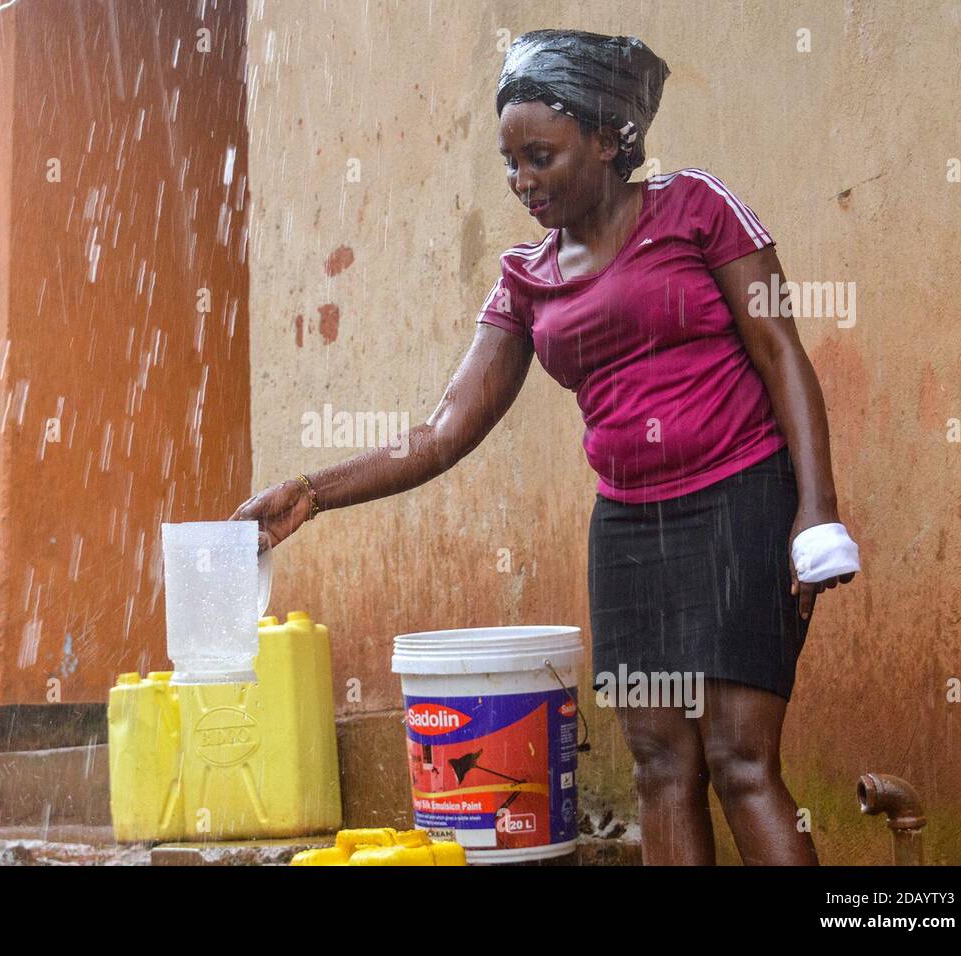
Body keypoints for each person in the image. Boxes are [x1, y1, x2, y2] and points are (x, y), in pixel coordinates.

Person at [232, 29, 860, 865]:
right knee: (660, 766)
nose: (523, 181)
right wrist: (313, 491)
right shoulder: (525, 278)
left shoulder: (697, 208)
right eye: (510, 163)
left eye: (541, 156)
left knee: (741, 761)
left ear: (608, 140)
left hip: (740, 500)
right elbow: (444, 429)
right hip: (631, 530)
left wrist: (814, 514)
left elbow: (781, 351)